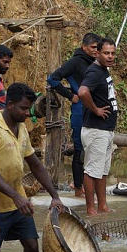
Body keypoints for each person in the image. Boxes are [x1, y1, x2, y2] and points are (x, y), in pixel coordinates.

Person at [0, 82, 63, 252]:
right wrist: (16, 196)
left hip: (18, 202)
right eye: (23, 108)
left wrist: (55, 196)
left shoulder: (21, 128)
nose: (27, 113)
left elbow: (35, 164)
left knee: (32, 246)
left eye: (28, 109)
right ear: (10, 105)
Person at [47, 33, 101, 197]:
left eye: (98, 48)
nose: (96, 51)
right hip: (79, 112)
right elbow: (53, 79)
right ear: (84, 47)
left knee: (91, 149)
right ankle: (78, 188)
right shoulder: (76, 62)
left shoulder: (95, 63)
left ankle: (86, 185)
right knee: (79, 149)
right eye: (93, 48)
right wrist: (71, 96)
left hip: (93, 110)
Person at [78, 37, 118, 215]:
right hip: (96, 129)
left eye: (112, 53)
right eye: (106, 53)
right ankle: (90, 208)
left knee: (102, 171)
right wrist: (95, 110)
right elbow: (82, 92)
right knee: (92, 170)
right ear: (98, 53)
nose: (110, 56)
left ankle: (102, 205)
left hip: (106, 129)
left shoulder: (104, 71)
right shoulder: (95, 71)